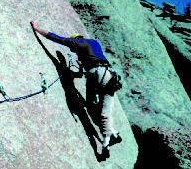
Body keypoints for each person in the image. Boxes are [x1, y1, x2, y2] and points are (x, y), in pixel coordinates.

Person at [31, 21, 122, 156]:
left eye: (72, 48)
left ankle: (107, 140)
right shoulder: (94, 44)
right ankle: (110, 135)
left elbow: (57, 38)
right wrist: (81, 64)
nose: (72, 50)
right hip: (110, 77)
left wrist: (37, 29)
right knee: (105, 112)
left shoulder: (78, 42)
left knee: (91, 108)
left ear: (75, 40)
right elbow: (79, 74)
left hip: (96, 75)